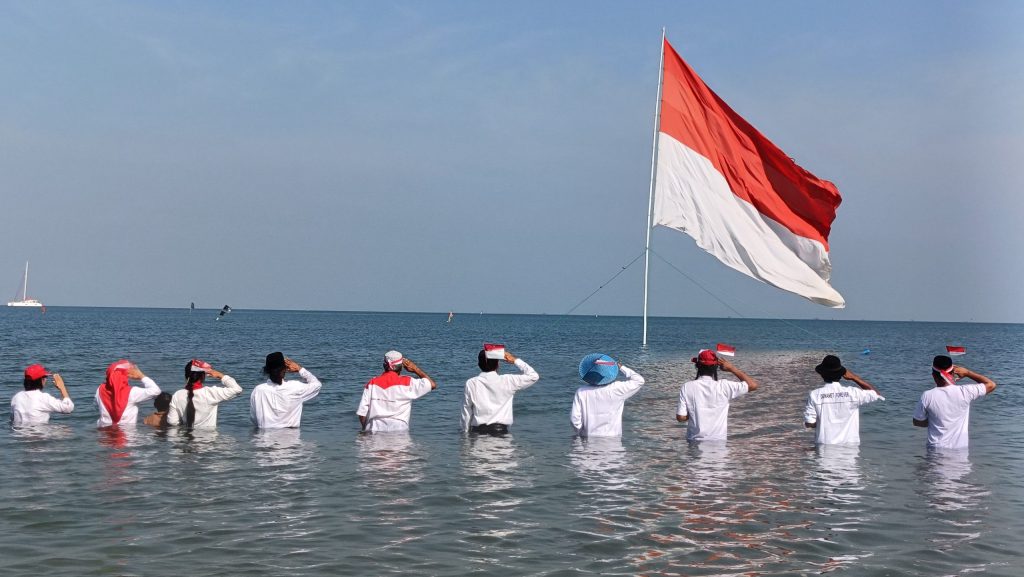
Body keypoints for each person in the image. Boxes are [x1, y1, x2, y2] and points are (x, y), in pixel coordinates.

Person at [913, 355, 996, 449]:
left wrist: (934, 421)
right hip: (960, 451)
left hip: (935, 451)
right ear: (953, 373)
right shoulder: (965, 392)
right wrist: (968, 373)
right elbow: (991, 385)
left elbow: (917, 422)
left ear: (933, 375)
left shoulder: (927, 396)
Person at [676, 349, 758, 441]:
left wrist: (696, 413)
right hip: (719, 444)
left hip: (694, 443)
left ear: (697, 366)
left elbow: (681, 417)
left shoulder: (687, 387)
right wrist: (732, 368)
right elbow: (753, 385)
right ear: (716, 367)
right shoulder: (724, 386)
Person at [803, 355, 884, 445]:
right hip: (850, 448)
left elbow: (809, 423)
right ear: (842, 374)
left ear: (822, 374)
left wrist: (823, 420)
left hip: (825, 447)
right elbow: (876, 394)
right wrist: (854, 377)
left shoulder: (815, 395)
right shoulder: (853, 393)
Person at [460, 348, 539, 435]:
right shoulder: (508, 380)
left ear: (479, 364)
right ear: (497, 364)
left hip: (478, 434)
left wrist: (465, 433)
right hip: (501, 434)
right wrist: (515, 360)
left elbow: (466, 412)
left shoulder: (471, 383)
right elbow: (533, 376)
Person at [356, 351, 436, 432]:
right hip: (399, 429)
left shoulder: (372, 383)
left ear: (384, 365)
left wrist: (365, 429)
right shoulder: (408, 382)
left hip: (374, 427)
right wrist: (415, 369)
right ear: (401, 367)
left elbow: (362, 413)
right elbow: (432, 384)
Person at [570, 354, 645, 437]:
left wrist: (580, 432)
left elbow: (575, 419)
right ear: (610, 373)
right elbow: (639, 380)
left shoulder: (581, 392)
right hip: (613, 439)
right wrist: (622, 367)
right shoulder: (617, 389)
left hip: (589, 439)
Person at [250, 352, 322, 429]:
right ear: (285, 369)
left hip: (264, 439)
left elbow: (254, 419)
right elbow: (317, 385)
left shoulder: (258, 390)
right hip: (290, 438)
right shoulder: (295, 387)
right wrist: (299, 369)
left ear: (267, 371)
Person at [167, 359, 243, 428]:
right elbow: (237, 389)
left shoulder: (177, 395)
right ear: (202, 377)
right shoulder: (210, 393)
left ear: (186, 376)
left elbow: (172, 422)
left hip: (186, 441)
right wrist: (221, 376)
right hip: (208, 441)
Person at [95, 360, 161, 427]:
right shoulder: (132, 392)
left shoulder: (100, 389)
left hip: (104, 434)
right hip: (127, 435)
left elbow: (97, 406)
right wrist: (141, 376)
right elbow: (156, 391)